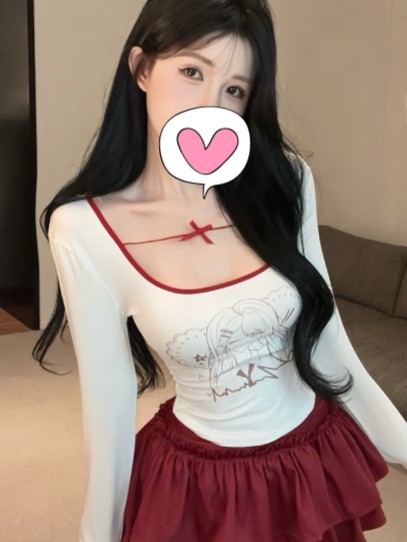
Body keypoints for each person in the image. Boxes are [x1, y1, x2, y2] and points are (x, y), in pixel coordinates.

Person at [33, 1, 407, 541]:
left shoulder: (285, 181)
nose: (211, 106)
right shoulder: (83, 228)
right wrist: (98, 533)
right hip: (200, 485)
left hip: (309, 465)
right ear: (141, 69)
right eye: (192, 71)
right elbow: (108, 409)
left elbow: (329, 346)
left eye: (234, 89)